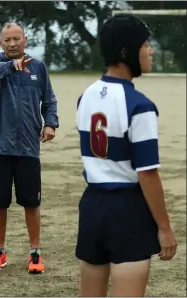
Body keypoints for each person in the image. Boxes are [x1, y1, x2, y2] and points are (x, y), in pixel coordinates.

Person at [75, 14, 178, 297]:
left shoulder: (86, 96)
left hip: (92, 206)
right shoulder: (140, 106)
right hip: (127, 210)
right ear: (125, 51)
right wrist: (164, 228)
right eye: (145, 44)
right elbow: (147, 173)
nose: (150, 50)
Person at [0, 22, 59, 274]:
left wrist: (50, 123)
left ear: (25, 39)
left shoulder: (38, 68)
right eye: (7, 40)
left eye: (17, 39)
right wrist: (11, 65)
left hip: (28, 147)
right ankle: (0, 250)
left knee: (31, 202)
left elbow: (49, 99)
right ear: (0, 43)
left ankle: (35, 252)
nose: (12, 43)